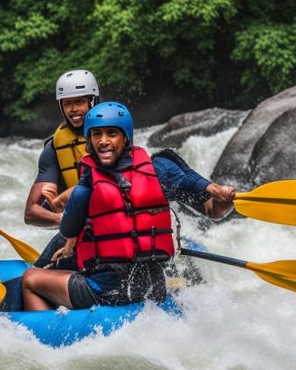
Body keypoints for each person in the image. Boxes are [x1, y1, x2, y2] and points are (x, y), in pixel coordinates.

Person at [21, 102, 236, 311]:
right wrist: (220, 195)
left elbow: (68, 229)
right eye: (97, 134)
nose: (103, 141)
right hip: (152, 288)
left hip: (107, 293)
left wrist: (59, 207)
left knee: (30, 278)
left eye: (111, 134)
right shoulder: (158, 170)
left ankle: (48, 333)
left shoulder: (86, 186)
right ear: (90, 140)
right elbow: (214, 211)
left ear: (125, 138)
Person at [23, 69, 101, 269]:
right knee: (32, 278)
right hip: (79, 231)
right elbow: (32, 212)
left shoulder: (114, 138)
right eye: (67, 103)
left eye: (79, 102)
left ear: (93, 101)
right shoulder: (54, 150)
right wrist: (66, 220)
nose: (73, 109)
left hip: (116, 225)